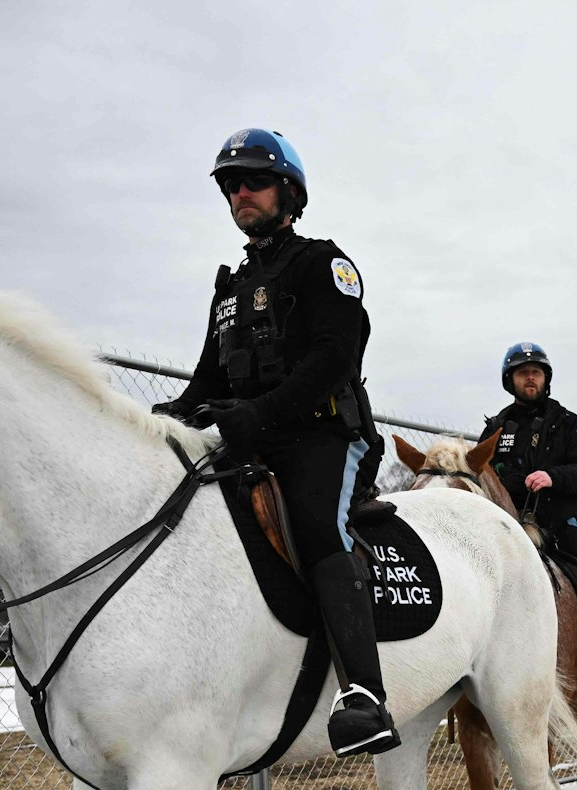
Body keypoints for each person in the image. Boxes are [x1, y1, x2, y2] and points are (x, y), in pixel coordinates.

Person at [152, 127, 398, 756]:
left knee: (317, 526)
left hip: (323, 435)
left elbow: (333, 358)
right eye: (230, 185)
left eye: (254, 181)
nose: (240, 193)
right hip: (249, 433)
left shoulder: (324, 263)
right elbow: (207, 378)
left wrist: (257, 414)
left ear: (288, 190)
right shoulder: (229, 288)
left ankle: (365, 696)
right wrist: (166, 420)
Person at [478, 343, 577, 699]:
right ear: (511, 380)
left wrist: (553, 476)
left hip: (559, 525)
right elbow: (481, 475)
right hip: (505, 530)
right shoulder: (495, 428)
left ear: (546, 378)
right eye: (523, 372)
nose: (530, 377)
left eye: (536, 371)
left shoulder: (567, 423)